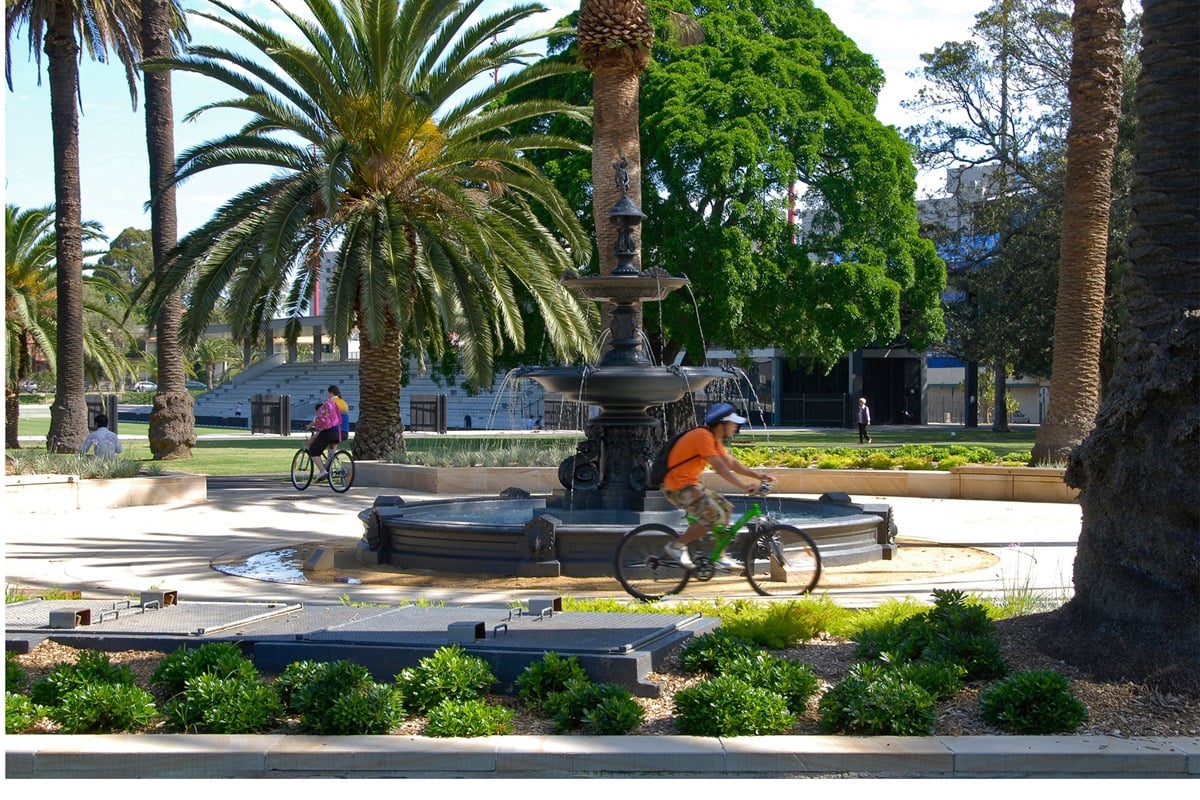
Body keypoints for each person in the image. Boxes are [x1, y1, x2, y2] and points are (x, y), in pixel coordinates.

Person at [659, 403, 773, 570]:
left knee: (726, 509)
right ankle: (677, 545)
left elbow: (731, 463)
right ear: (722, 423)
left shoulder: (713, 439)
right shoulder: (702, 436)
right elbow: (719, 466)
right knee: (714, 516)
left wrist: (758, 476)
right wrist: (743, 486)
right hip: (677, 486)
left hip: (690, 485)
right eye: (733, 423)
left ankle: (720, 555)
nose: (735, 427)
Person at [304, 387, 343, 479]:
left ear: (331, 393)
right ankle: (330, 458)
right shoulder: (341, 403)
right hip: (340, 432)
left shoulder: (327, 406)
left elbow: (315, 422)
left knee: (313, 450)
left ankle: (323, 470)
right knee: (332, 445)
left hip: (329, 431)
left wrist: (310, 427)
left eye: (328, 393)